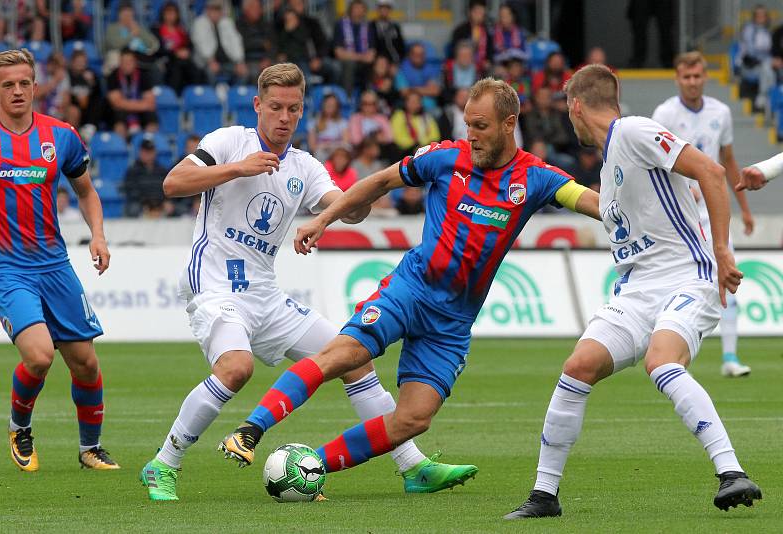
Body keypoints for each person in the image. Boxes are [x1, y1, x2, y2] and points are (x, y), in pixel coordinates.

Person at [217, 78, 601, 489]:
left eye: (481, 126)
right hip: (411, 290)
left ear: (510, 124)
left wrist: (632, 212)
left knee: (414, 419)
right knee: (341, 355)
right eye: (468, 124)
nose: (471, 135)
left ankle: (310, 467)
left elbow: (589, 201)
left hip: (452, 322)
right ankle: (250, 430)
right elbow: (380, 181)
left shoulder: (537, 177)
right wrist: (322, 219)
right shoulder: (444, 158)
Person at [139, 63, 475, 501]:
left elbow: (350, 208)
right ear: (258, 106)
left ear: (302, 112)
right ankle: (164, 463)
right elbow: (173, 182)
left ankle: (412, 465)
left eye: (292, 109)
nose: (283, 116)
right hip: (216, 286)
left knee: (352, 359)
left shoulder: (305, 166)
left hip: (267, 295)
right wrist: (238, 169)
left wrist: (342, 209)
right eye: (275, 107)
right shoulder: (228, 142)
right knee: (236, 368)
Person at [506, 64, 762, 520]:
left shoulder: (634, 132)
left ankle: (731, 472)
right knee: (578, 366)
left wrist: (722, 249)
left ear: (576, 106)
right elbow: (596, 205)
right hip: (636, 291)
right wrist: (536, 184)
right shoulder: (611, 167)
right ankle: (544, 495)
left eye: (568, 110)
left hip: (687, 276)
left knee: (661, 361)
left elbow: (710, 169)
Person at [0, 48, 118, 472]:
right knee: (40, 355)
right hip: (4, 266)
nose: (18, 90)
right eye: (8, 85)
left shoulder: (60, 135)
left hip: (54, 265)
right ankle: (19, 426)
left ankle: (89, 449)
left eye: (24, 82)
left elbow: (86, 192)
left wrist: (98, 235)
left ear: (36, 86)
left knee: (85, 361)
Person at [652, 51, 755, 377]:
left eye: (698, 76)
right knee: (677, 283)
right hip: (678, 217)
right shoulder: (664, 113)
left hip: (713, 214)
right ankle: (669, 352)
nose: (693, 82)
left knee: (728, 275)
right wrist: (681, 185)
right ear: (678, 78)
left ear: (705, 77)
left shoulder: (720, 112)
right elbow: (654, 162)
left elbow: (727, 158)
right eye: (687, 77)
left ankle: (729, 358)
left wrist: (745, 209)